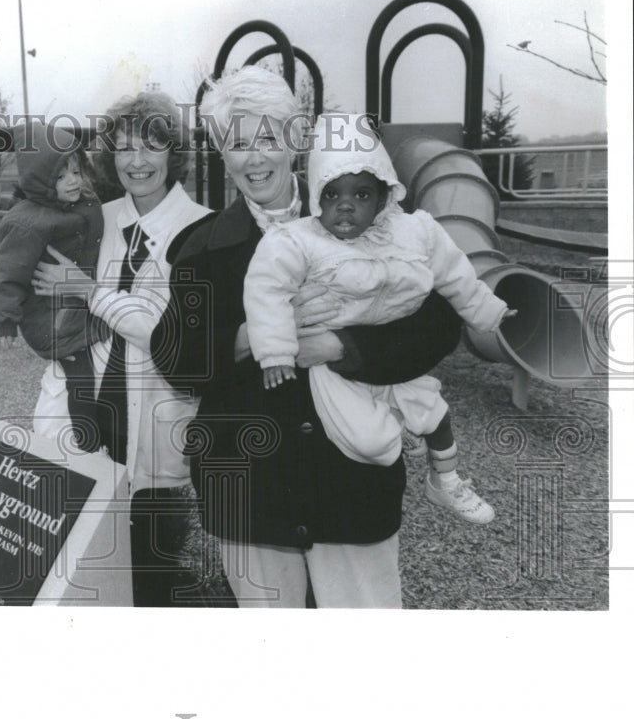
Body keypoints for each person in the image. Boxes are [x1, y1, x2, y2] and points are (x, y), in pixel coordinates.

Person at [150, 66, 464, 607]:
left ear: (295, 142)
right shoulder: (201, 247)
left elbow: (440, 324)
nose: (255, 158)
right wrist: (257, 334)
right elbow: (175, 358)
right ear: (221, 153)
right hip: (250, 490)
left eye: (268, 138)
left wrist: (345, 346)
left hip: (351, 484)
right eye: (238, 142)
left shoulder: (378, 218)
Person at [244, 113, 514, 524]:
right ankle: (396, 434)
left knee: (435, 411)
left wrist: (489, 311)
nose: (346, 206)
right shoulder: (300, 241)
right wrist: (276, 351)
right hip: (334, 369)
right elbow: (267, 289)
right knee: (374, 444)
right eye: (332, 196)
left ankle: (445, 480)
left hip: (390, 348)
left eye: (362, 195)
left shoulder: (415, 232)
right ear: (317, 197)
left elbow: (456, 273)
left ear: (385, 196)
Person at [30, 92, 212, 606]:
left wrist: (91, 293)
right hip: (83, 410)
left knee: (150, 560)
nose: (137, 162)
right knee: (81, 560)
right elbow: (46, 295)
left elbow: (167, 336)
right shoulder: (96, 218)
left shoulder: (203, 229)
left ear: (173, 152)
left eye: (151, 147)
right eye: (124, 148)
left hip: (152, 421)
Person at [0, 122, 103, 436]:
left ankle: (94, 427)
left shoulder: (81, 201)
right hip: (51, 316)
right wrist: (2, 321)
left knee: (101, 358)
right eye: (61, 176)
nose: (73, 181)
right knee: (81, 373)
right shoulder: (26, 222)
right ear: (41, 180)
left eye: (77, 171)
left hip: (75, 300)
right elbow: (6, 274)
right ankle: (82, 432)